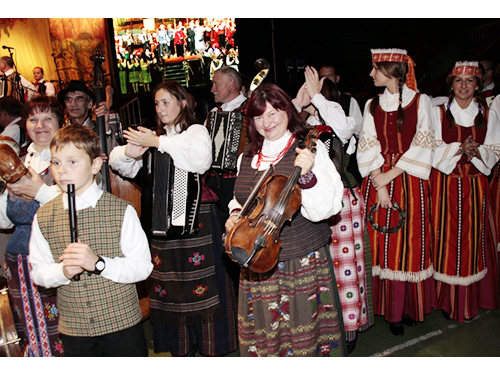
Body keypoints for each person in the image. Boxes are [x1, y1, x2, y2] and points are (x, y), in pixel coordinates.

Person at [109, 80, 238, 357]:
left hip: (198, 220)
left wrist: (157, 142)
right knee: (169, 287)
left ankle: (211, 346)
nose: (160, 108)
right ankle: (181, 348)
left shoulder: (195, 131)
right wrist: (131, 152)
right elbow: (120, 165)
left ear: (182, 103)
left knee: (205, 286)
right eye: (157, 103)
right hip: (161, 224)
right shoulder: (153, 138)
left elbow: (200, 161)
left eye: (166, 101)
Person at [225, 82, 346, 357]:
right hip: (256, 259)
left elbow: (326, 209)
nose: (266, 122)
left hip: (299, 261)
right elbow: (241, 201)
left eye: (272, 113)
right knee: (267, 339)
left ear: (287, 111)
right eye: (258, 116)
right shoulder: (248, 157)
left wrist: (307, 176)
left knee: (303, 339)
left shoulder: (308, 150)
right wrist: (234, 217)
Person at [29, 125, 152, 356]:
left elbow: (143, 267)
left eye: (72, 162)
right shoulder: (44, 216)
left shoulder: (120, 210)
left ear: (95, 164)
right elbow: (38, 271)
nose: (62, 170)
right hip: (75, 329)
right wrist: (62, 272)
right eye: (56, 163)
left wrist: (99, 263)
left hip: (121, 324)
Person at [293, 66, 374, 353]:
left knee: (347, 268)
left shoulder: (341, 118)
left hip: (342, 202)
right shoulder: (301, 126)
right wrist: (299, 103)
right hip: (310, 203)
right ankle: (326, 325)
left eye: (318, 92)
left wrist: (317, 97)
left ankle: (349, 327)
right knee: (321, 269)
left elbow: (341, 128)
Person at [357, 48, 435, 336]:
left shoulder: (421, 101)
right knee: (380, 247)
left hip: (409, 179)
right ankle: (388, 311)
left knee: (408, 246)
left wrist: (389, 175)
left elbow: (423, 144)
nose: (371, 74)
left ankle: (404, 308)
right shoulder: (371, 105)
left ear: (390, 71)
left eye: (375, 69)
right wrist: (380, 184)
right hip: (379, 180)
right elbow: (368, 144)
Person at [430, 61, 500, 323]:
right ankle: (446, 299)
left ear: (478, 85)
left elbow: (495, 147)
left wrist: (477, 150)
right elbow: (430, 147)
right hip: (444, 188)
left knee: (473, 243)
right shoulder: (437, 112)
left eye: (470, 81)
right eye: (458, 81)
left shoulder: (490, 114)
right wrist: (459, 148)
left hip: (475, 187)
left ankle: (469, 301)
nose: (463, 86)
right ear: (451, 84)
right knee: (444, 241)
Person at [0, 96, 64, 356]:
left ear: (61, 122)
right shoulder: (19, 160)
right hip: (19, 259)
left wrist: (38, 190)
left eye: (48, 118)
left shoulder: (71, 157)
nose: (40, 125)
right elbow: (5, 220)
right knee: (30, 328)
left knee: (61, 327)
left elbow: (78, 207)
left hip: (57, 254)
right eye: (33, 118)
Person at [56, 80, 117, 152]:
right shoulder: (60, 133)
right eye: (69, 100)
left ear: (89, 103)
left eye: (79, 99)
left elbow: (112, 155)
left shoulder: (98, 128)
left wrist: (105, 125)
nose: (73, 104)